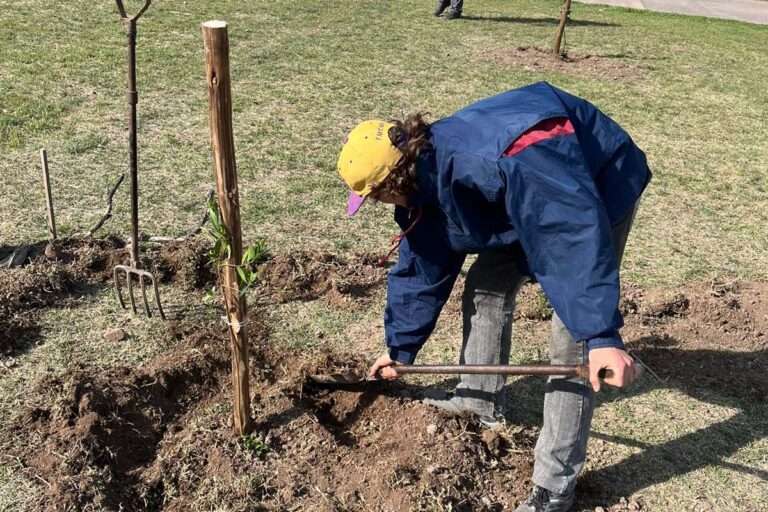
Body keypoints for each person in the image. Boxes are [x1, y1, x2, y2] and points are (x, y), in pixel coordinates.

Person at [336, 81, 651, 512]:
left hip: (591, 187)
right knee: (486, 284)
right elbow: (424, 262)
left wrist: (601, 337)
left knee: (571, 336)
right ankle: (478, 401)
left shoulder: (497, 160)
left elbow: (568, 234)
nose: (374, 204)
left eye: (373, 196)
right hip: (526, 198)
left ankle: (554, 486)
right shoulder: (424, 177)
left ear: (393, 180)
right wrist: (400, 348)